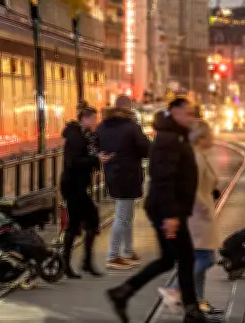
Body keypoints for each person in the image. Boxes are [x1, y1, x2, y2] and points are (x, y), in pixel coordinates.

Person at [107, 98, 205, 323]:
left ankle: (122, 292)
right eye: (188, 114)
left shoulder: (175, 136)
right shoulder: (170, 138)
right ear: (175, 113)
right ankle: (192, 312)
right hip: (166, 209)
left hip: (167, 207)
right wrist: (171, 215)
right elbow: (163, 178)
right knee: (186, 257)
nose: (192, 118)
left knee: (170, 259)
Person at [158, 120, 223, 315]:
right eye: (210, 135)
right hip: (197, 215)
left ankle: (198, 302)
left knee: (199, 257)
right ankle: (175, 290)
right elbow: (191, 188)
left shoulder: (199, 155)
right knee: (205, 258)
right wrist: (203, 208)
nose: (213, 138)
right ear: (201, 138)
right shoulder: (196, 157)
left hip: (198, 214)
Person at [60, 102, 111, 278]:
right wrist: (96, 159)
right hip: (72, 185)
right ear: (85, 119)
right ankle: (70, 263)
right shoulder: (75, 137)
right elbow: (73, 162)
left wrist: (97, 158)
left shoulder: (86, 135)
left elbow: (87, 156)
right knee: (78, 223)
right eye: (93, 118)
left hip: (78, 185)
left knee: (88, 220)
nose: (96, 121)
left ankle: (81, 262)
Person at [98, 96, 150, 270]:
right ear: (129, 108)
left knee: (127, 214)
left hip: (113, 175)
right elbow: (145, 149)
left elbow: (95, 144)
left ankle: (127, 251)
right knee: (123, 216)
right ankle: (113, 256)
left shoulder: (103, 125)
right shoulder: (132, 127)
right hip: (128, 175)